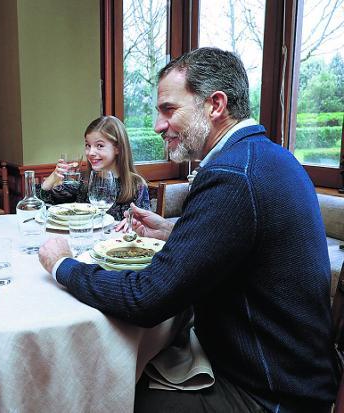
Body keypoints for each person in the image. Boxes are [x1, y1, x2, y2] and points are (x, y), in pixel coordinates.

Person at [38, 47, 337, 412]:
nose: (158, 125)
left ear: (215, 105)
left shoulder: (230, 176)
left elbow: (146, 299)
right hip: (295, 372)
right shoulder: (267, 156)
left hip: (270, 393)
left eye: (169, 109)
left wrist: (62, 265)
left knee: (110, 394)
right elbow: (244, 242)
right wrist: (174, 232)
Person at [37, 115, 150, 221]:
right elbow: (43, 205)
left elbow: (144, 226)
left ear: (118, 148)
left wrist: (134, 223)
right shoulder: (84, 182)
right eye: (88, 145)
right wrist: (54, 176)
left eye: (99, 146)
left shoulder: (136, 185)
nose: (90, 152)